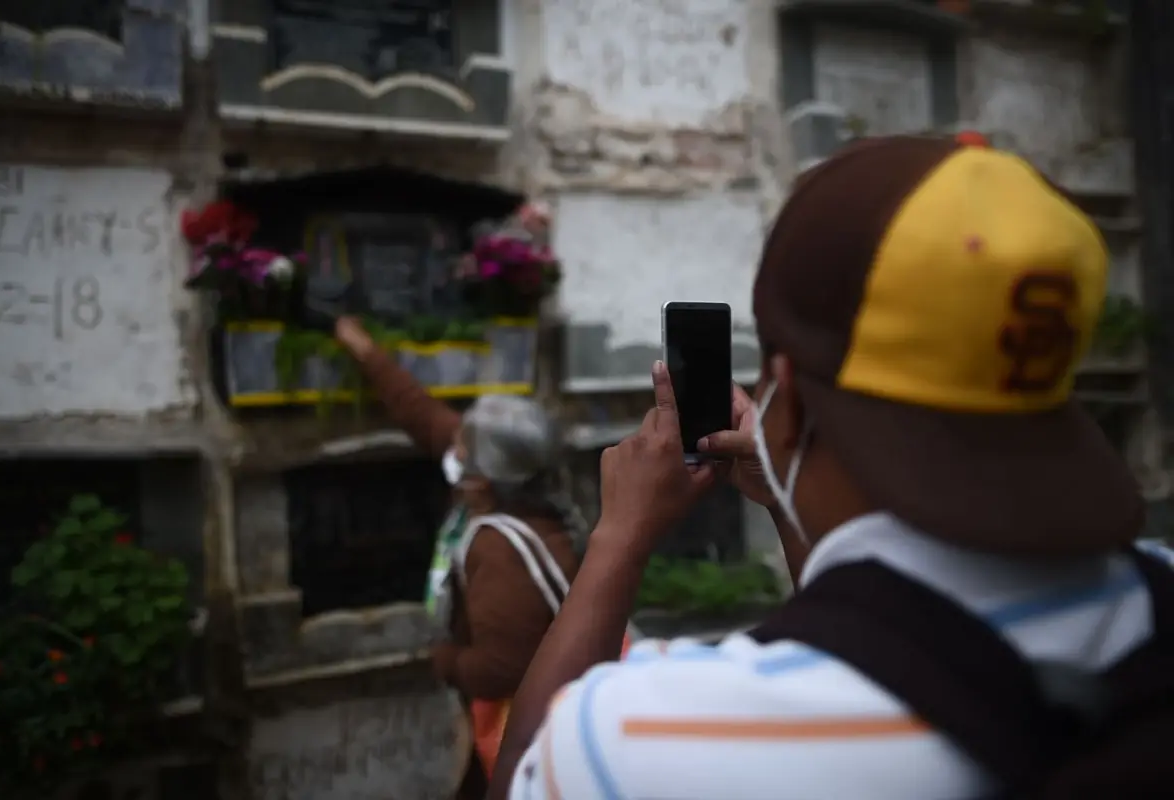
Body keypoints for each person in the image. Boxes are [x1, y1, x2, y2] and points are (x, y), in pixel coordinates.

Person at [488, 134, 1174, 799]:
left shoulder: (646, 737)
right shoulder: (1159, 592)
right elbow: (872, 620)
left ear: (787, 393)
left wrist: (621, 535)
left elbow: (528, 772)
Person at [299, 291, 582, 799]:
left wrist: (444, 660)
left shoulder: (502, 548)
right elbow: (422, 413)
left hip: (522, 722)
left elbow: (500, 669)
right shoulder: (510, 490)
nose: (451, 446)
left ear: (485, 475)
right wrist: (364, 349)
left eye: (463, 446)